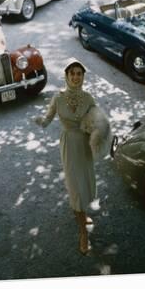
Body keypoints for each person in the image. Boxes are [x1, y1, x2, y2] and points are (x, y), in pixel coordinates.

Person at [34, 58, 97, 254]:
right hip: (69, 145)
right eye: (73, 73)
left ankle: (83, 213)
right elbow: (47, 120)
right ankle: (83, 232)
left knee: (85, 184)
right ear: (66, 76)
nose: (76, 77)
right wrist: (39, 121)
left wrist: (95, 130)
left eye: (80, 73)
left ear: (83, 76)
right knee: (74, 187)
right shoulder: (58, 98)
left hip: (85, 146)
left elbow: (97, 123)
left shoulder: (88, 98)